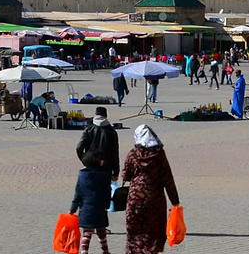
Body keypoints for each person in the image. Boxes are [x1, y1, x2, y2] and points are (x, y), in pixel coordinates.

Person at [122, 124, 179, 254]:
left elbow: (125, 175)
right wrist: (175, 201)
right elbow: (167, 178)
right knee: (153, 232)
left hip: (135, 198)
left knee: (134, 233)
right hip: (155, 199)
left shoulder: (132, 153)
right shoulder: (159, 155)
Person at [69, 150, 112, 254]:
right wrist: (107, 204)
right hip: (99, 207)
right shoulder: (104, 175)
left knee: (87, 232)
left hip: (85, 208)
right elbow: (107, 191)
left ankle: (84, 251)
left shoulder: (82, 175)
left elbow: (78, 192)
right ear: (98, 161)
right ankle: (105, 250)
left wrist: (73, 208)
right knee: (101, 229)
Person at [75, 107, 119, 181]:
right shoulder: (111, 131)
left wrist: (85, 160)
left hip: (91, 164)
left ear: (95, 115)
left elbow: (79, 147)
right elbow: (115, 152)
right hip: (106, 166)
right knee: (103, 190)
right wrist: (116, 172)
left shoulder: (89, 129)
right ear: (106, 116)